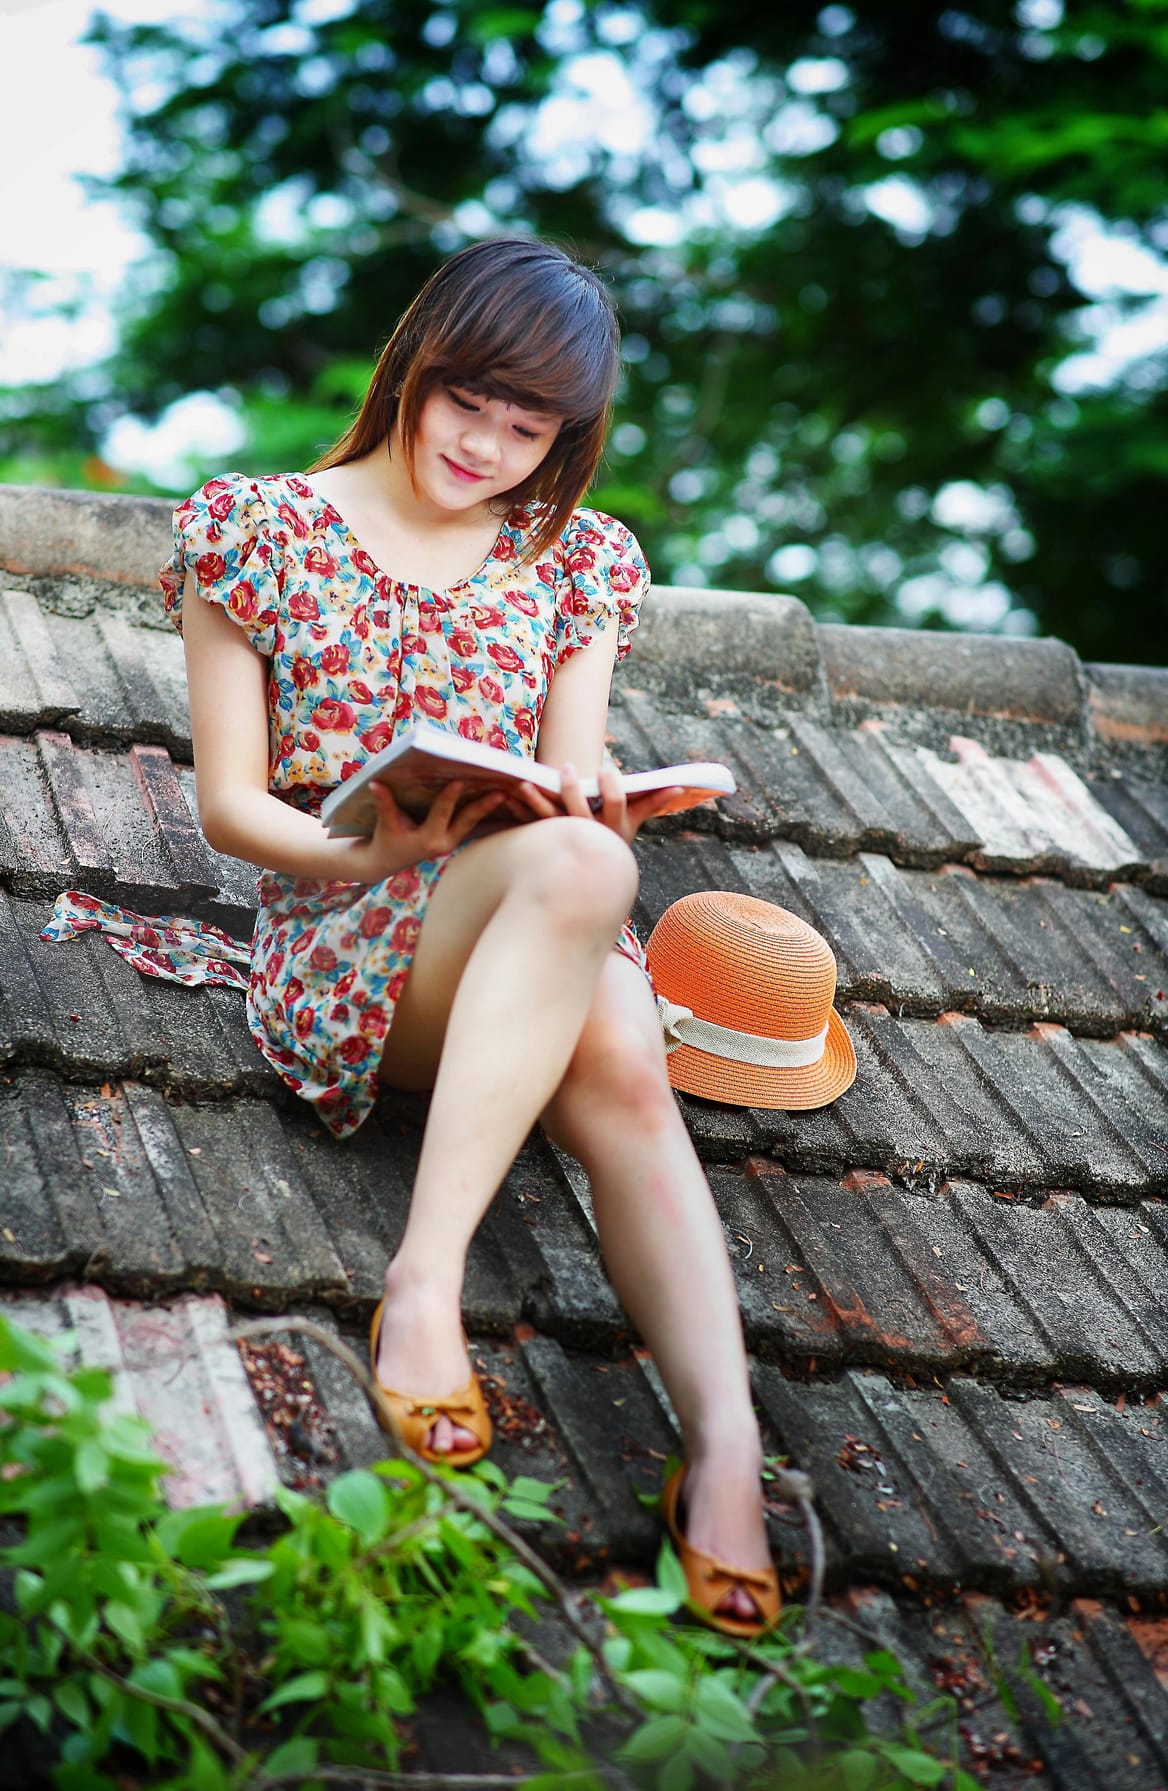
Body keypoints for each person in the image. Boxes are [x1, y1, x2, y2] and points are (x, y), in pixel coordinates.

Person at [159, 237, 779, 1634]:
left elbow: (569, 782)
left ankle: (728, 1447)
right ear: (417, 365)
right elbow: (229, 805)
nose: (489, 447)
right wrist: (369, 843)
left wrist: (605, 797)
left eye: (529, 427)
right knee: (576, 898)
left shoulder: (577, 565)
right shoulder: (255, 529)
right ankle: (423, 1281)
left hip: (532, 922)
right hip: (347, 928)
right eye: (471, 405)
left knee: (619, 1024)